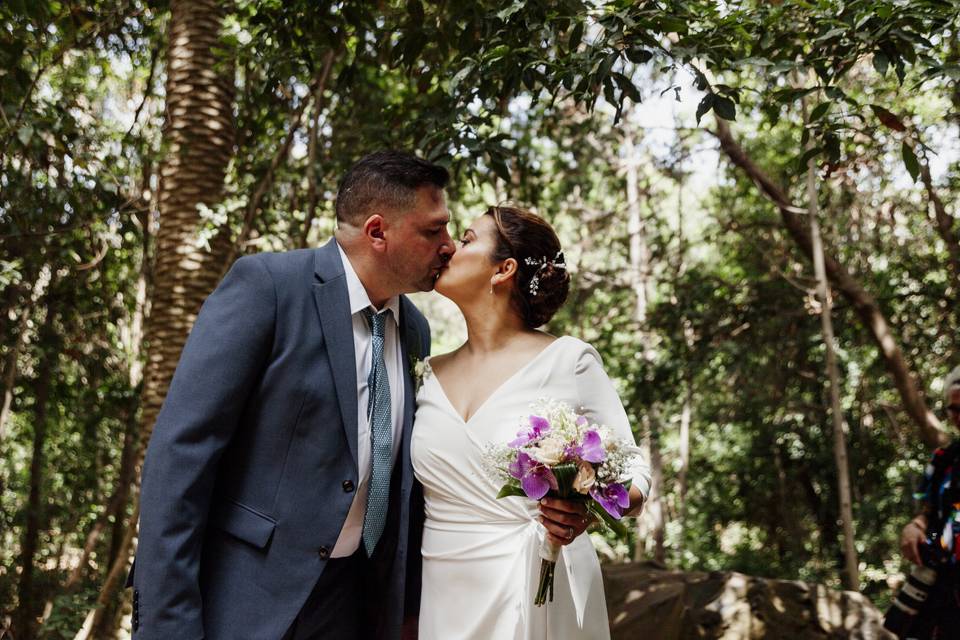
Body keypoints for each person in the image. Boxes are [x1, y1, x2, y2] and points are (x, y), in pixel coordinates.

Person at [130, 150, 456, 640]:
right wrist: (167, 623)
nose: (449, 247)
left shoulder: (415, 330)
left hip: (350, 604)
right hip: (244, 601)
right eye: (433, 231)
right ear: (377, 232)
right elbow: (181, 457)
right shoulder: (268, 287)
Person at [411, 205, 651, 639]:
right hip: (443, 594)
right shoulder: (424, 373)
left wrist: (583, 506)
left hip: (539, 583)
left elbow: (636, 471)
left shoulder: (568, 361)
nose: (448, 248)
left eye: (466, 240)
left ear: (503, 270)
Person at [896, 365, 960, 638]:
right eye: (954, 409)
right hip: (942, 588)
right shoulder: (945, 459)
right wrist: (915, 526)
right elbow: (930, 511)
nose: (959, 417)